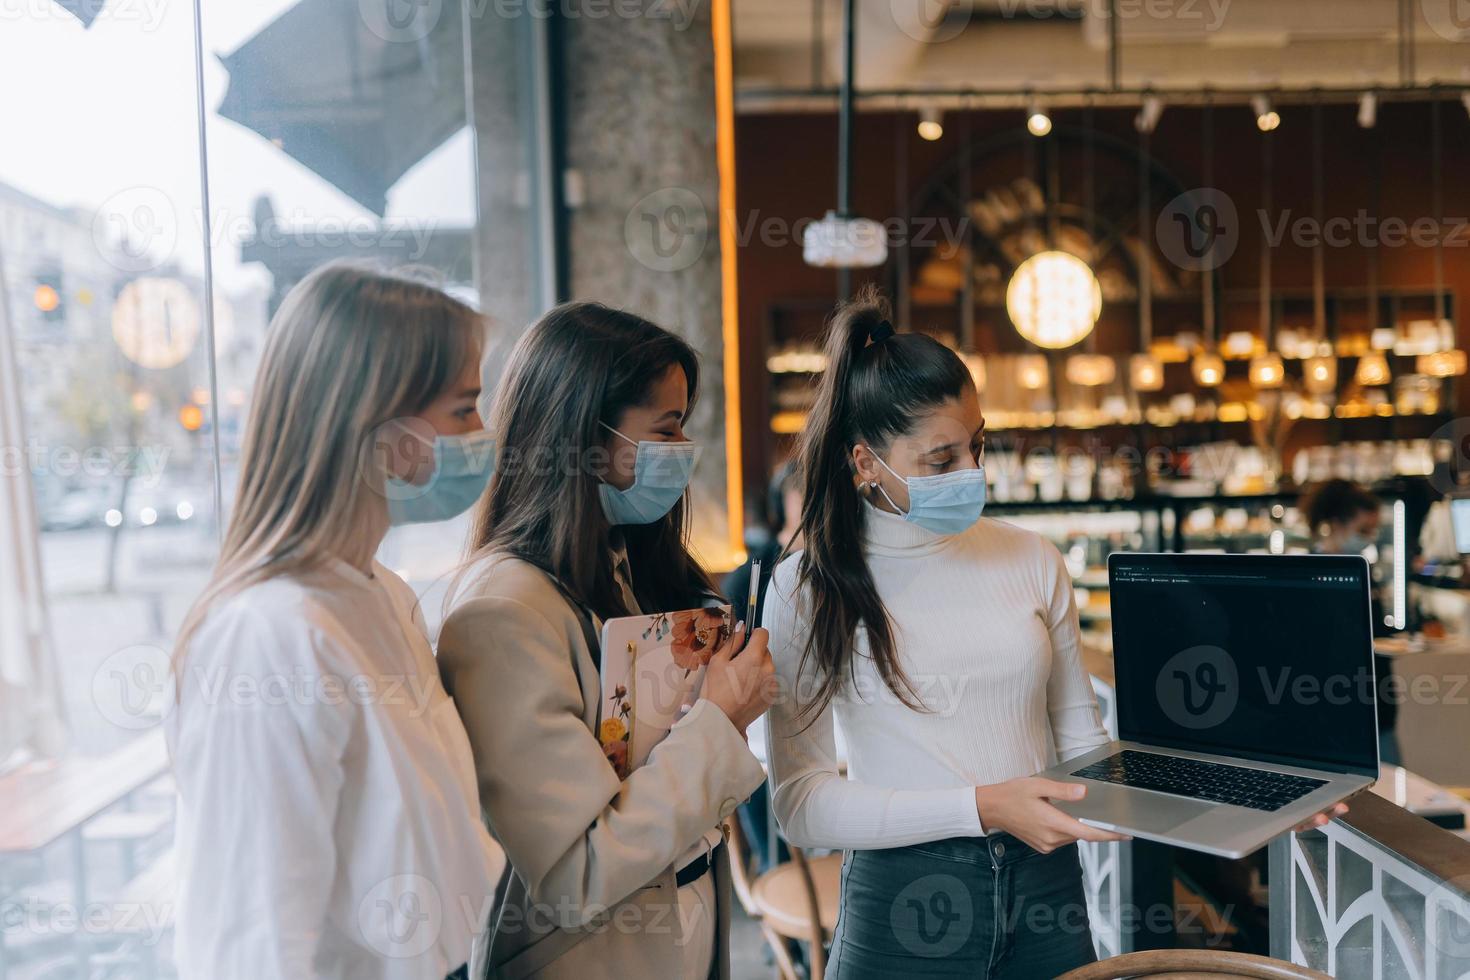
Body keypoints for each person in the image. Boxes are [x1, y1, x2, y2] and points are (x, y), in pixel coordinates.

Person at [761, 287, 1123, 978]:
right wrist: (984, 806)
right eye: (942, 459)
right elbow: (801, 807)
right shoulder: (810, 587)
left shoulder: (1031, 559)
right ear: (865, 462)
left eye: (979, 446)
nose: (973, 474)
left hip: (1047, 890)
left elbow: (1083, 750)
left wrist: (1230, 807)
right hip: (904, 899)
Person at [168, 262, 504, 980]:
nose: (485, 433)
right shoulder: (270, 636)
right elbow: (254, 942)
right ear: (376, 426)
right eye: (465, 408)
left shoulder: (379, 591)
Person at [437, 302, 777, 979]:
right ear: (587, 441)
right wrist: (718, 718)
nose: (682, 454)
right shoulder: (504, 613)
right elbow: (575, 873)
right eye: (667, 430)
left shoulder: (628, 568)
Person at [1301, 478, 1400, 764]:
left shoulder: (1362, 570)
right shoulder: (1310, 575)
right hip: (1332, 700)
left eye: (1373, 530)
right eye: (1363, 530)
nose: (1369, 537)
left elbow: (1378, 631)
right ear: (1335, 523)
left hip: (1377, 697)